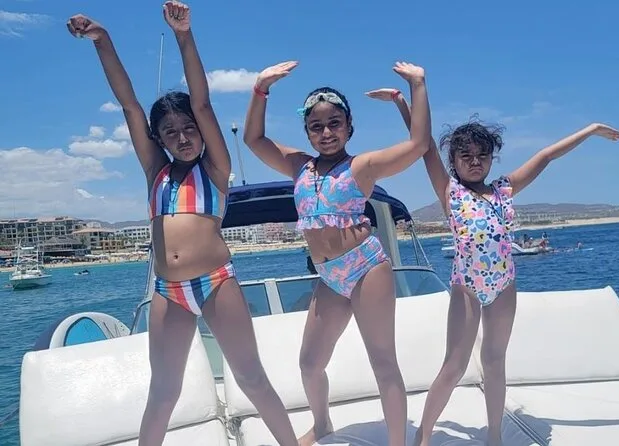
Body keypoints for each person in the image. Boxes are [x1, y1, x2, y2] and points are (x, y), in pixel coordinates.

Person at [66, 3, 298, 445]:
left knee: (251, 378)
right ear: (158, 139)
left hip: (216, 283)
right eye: (170, 132)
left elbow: (203, 102)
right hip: (167, 292)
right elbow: (130, 105)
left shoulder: (214, 169)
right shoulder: (156, 172)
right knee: (163, 392)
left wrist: (183, 35)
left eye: (189, 128)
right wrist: (102, 40)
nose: (183, 137)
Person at [365, 87, 619, 446]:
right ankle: (423, 435)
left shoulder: (505, 190)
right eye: (466, 156)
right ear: (454, 161)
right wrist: (402, 103)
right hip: (467, 286)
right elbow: (425, 146)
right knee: (454, 365)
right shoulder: (450, 191)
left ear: (491, 158)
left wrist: (590, 130)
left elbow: (546, 156)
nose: (475, 161)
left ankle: (495, 436)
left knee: (495, 361)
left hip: (504, 285)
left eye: (482, 155)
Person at [243, 61, 432, 446]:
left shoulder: (361, 166)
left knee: (383, 363)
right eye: (316, 126)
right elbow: (253, 139)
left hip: (366, 267)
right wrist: (260, 88)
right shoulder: (299, 166)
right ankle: (322, 425)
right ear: (307, 131)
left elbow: (418, 145)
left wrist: (414, 88)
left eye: (334, 123)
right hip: (329, 277)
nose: (326, 132)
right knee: (310, 363)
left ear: (348, 127)